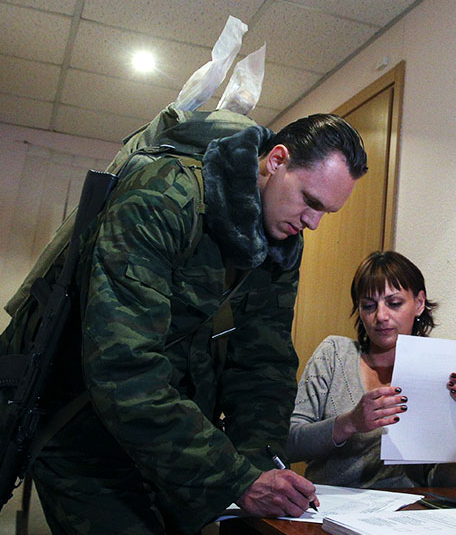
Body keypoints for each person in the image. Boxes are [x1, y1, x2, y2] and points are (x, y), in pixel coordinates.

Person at [14, 108, 368, 534]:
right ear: (276, 161)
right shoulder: (163, 198)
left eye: (326, 212)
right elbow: (124, 368)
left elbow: (263, 367)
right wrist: (235, 479)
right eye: (311, 201)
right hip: (84, 428)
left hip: (171, 438)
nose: (313, 222)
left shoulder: (280, 241)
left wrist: (260, 468)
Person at [287, 251, 456, 488]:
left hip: (406, 506)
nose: (381, 316)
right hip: (331, 503)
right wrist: (350, 422)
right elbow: (289, 444)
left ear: (419, 303)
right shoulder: (335, 354)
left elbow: (444, 482)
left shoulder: (439, 368)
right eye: (368, 306)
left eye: (394, 304)